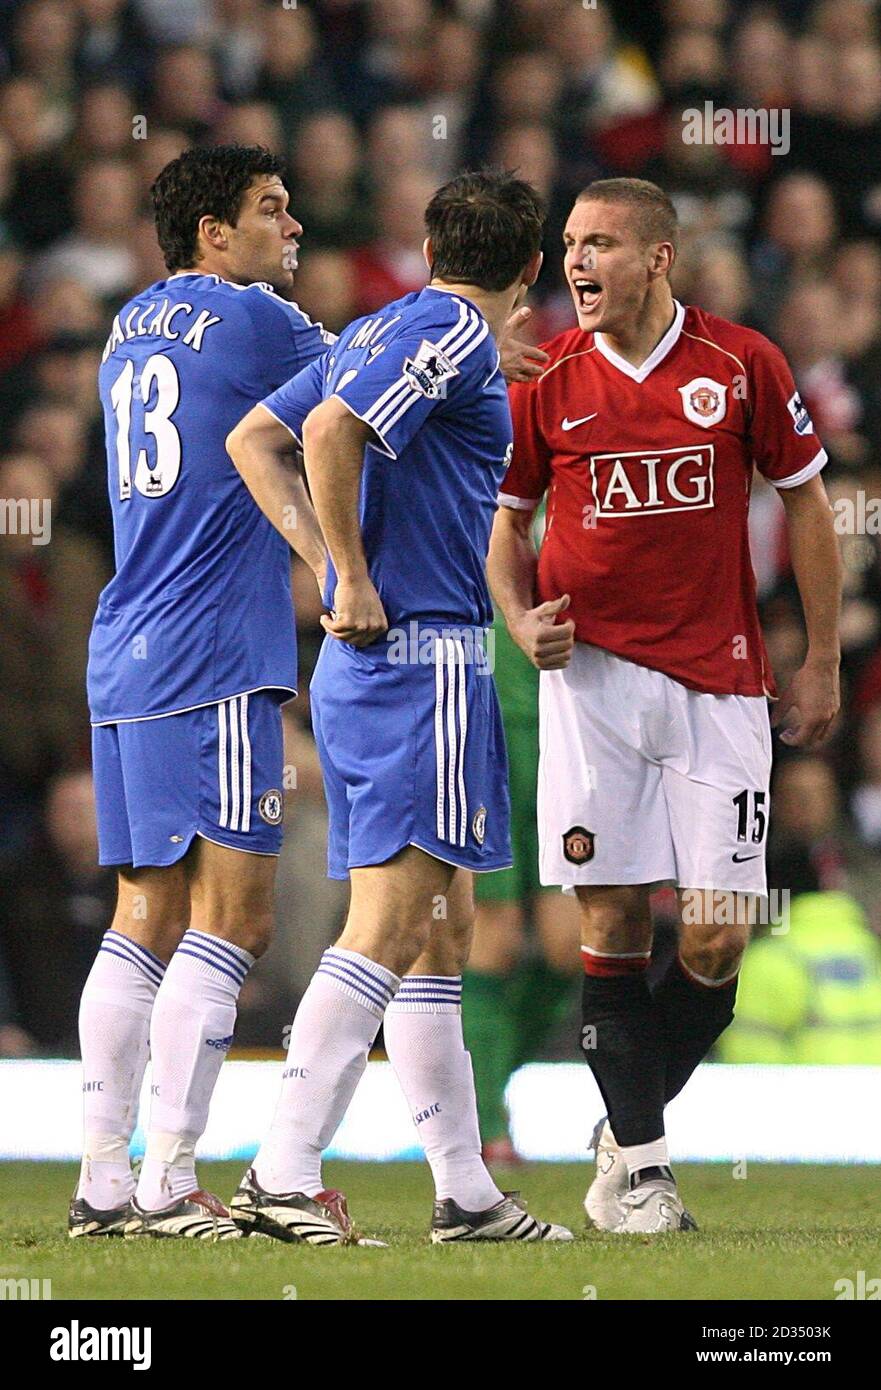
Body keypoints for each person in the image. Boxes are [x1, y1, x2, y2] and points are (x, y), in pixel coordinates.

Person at [489, 177, 842, 1233]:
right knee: (605, 921)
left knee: (715, 940)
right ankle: (641, 1171)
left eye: (598, 243)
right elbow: (504, 526)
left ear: (657, 257)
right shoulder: (545, 378)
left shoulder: (740, 363)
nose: (576, 264)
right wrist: (515, 620)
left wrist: (819, 656)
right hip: (590, 684)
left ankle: (618, 1123)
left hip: (720, 682)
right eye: (567, 246)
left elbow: (809, 504)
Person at [225, 169, 572, 1245]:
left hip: (383, 666)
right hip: (422, 657)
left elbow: (253, 441)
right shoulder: (454, 340)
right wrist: (352, 571)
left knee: (441, 928)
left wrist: (329, 569)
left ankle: (463, 1192)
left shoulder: (389, 327)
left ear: (428, 246)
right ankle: (279, 1174)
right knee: (390, 925)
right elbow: (327, 433)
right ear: (531, 267)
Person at [74, 143, 332, 1240]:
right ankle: (173, 1179)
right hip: (213, 649)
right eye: (272, 211)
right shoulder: (261, 320)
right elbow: (370, 378)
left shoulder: (125, 327)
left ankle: (101, 1184)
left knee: (143, 916)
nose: (294, 229)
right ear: (214, 237)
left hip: (125, 644)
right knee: (234, 919)